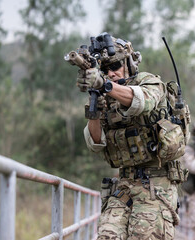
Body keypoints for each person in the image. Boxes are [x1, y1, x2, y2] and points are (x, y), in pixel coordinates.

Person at [76, 33, 188, 240]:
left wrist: (104, 85)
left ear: (128, 62)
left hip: (157, 185)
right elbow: (96, 143)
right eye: (105, 69)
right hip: (124, 184)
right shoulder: (103, 94)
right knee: (106, 236)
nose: (110, 73)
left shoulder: (149, 82)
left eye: (115, 66)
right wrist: (95, 110)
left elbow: (141, 101)